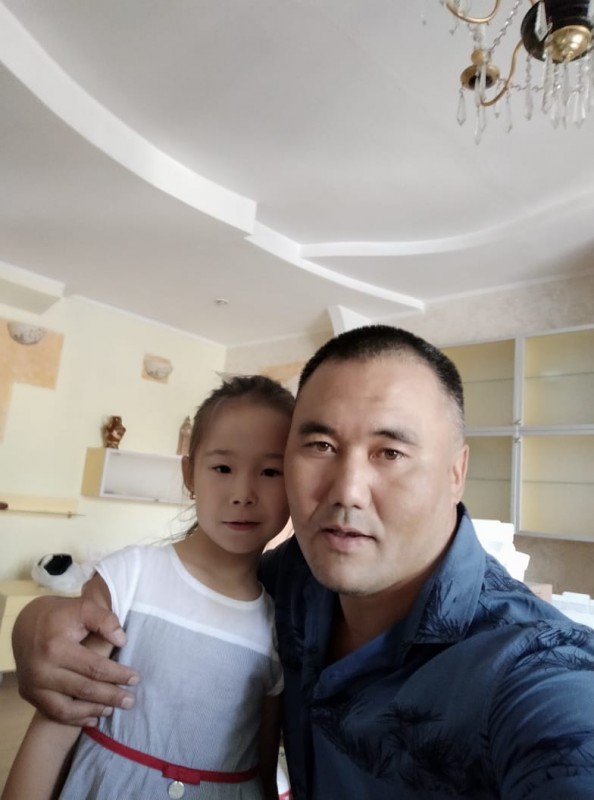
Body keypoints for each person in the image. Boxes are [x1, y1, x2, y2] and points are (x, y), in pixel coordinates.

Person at [10, 325, 594, 799]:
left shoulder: (532, 666)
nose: (347, 491)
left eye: (390, 452)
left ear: (455, 472)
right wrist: (37, 623)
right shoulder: (284, 581)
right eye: (320, 446)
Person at [3, 375, 295, 800]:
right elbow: (55, 727)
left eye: (270, 471)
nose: (243, 493)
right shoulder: (131, 577)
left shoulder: (280, 623)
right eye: (222, 468)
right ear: (189, 474)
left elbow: (262, 768)